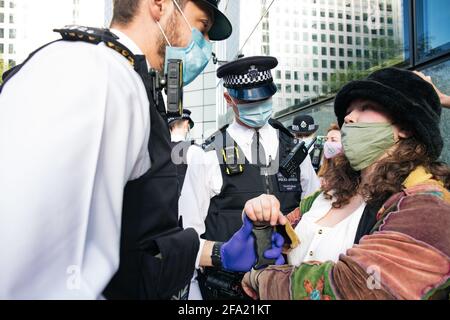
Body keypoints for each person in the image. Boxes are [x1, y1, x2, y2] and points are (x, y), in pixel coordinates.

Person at [0, 0, 233, 299]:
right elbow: (32, 266)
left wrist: (218, 253)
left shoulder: (125, 78)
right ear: (159, 4)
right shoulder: (99, 73)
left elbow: (133, 241)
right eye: (202, 26)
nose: (206, 44)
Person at [241, 67, 450, 300]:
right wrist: (264, 218)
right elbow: (280, 235)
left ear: (405, 127)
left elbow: (357, 287)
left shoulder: (428, 206)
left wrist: (260, 279)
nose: (348, 118)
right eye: (349, 111)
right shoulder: (328, 195)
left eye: (366, 107)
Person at [179, 56, 321, 300]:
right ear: (229, 99)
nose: (258, 106)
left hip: (285, 286)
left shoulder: (294, 150)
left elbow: (316, 213)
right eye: (248, 101)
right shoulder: (208, 155)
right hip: (227, 291)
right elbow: (187, 235)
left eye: (264, 99)